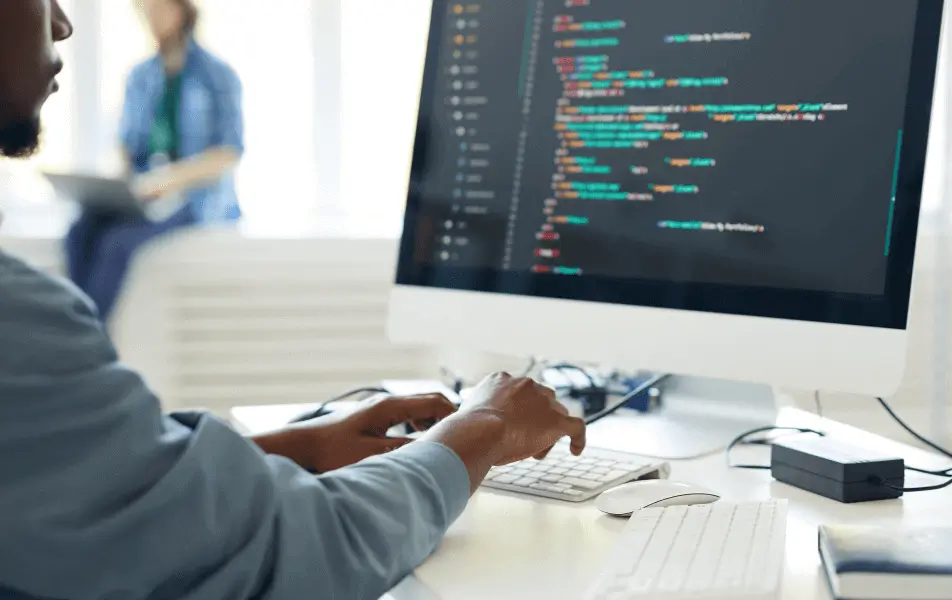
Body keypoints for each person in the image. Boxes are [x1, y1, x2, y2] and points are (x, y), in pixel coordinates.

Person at [0, 2, 588, 599]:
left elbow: (82, 479)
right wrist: (484, 425)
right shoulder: (16, 316)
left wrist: (302, 443)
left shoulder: (210, 72)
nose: (62, 21)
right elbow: (302, 550)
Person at [64, 0, 245, 323]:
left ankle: (88, 335)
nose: (151, 19)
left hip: (193, 197)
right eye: (146, 12)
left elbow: (227, 152)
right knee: (80, 230)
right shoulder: (141, 76)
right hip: (145, 192)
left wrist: (169, 180)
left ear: (182, 10)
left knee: (117, 243)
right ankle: (74, 329)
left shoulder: (216, 75)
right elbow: (128, 146)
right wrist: (117, 189)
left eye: (159, 9)